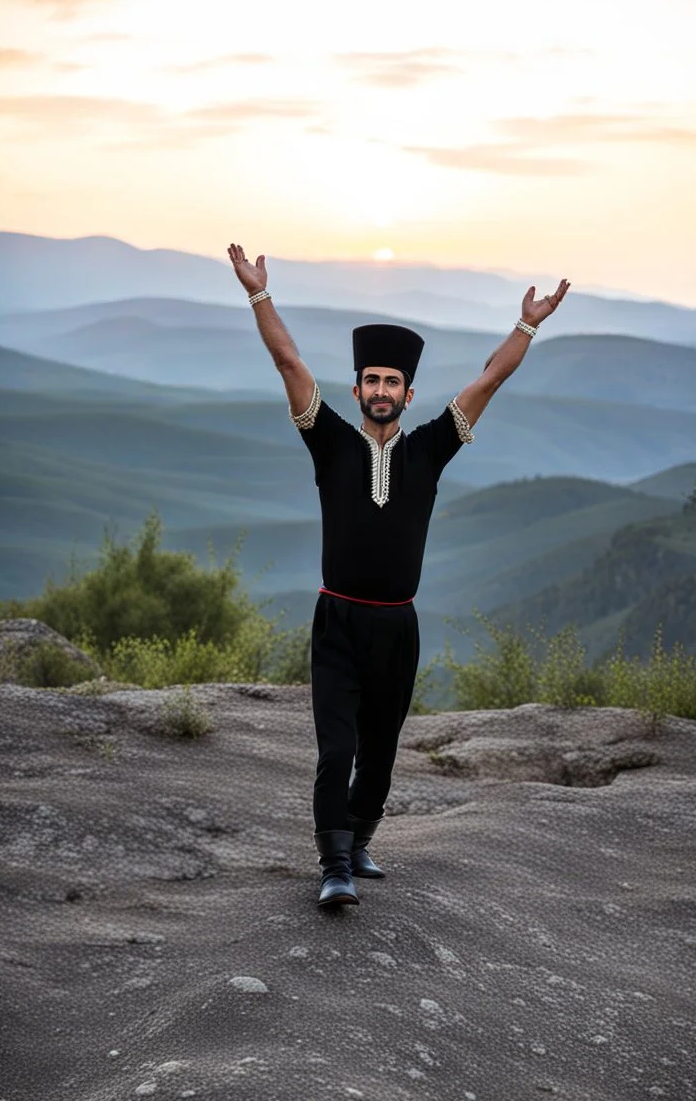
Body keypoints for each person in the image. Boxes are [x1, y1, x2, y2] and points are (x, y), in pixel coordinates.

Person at [227, 242, 570, 907]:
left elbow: (488, 380)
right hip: (338, 623)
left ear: (407, 395)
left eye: (393, 383)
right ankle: (333, 866)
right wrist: (258, 292)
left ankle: (359, 843)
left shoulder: (430, 451)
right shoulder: (327, 440)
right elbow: (288, 362)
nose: (381, 392)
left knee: (380, 754)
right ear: (356, 390)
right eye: (372, 382)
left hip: (398, 626)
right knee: (337, 749)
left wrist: (528, 325)